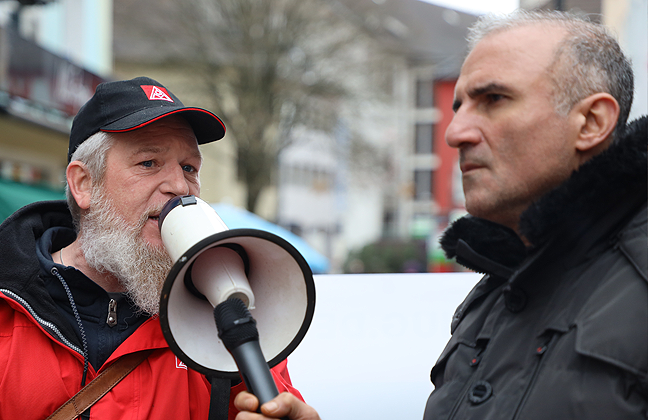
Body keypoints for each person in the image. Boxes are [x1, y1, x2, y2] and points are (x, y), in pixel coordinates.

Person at [234, 9, 647, 420]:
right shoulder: (497, 290)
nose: (455, 132)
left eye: (494, 99)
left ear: (592, 122)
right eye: (459, 105)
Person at [0, 76, 303, 419]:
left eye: (189, 167)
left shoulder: (226, 318)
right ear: (84, 184)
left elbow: (274, 402)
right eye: (149, 162)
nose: (180, 187)